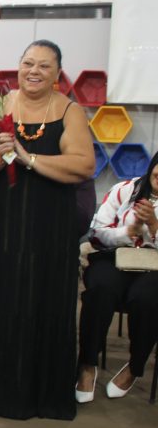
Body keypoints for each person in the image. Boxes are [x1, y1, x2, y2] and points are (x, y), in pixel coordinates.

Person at [0, 39, 94, 420]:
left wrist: (27, 157)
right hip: (1, 221)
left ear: (57, 74)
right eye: (28, 63)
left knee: (41, 299)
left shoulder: (70, 111)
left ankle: (38, 394)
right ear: (18, 67)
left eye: (44, 66)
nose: (34, 71)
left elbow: (83, 165)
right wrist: (1, 155)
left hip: (49, 224)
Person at [75, 150, 158, 402]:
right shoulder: (124, 190)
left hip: (154, 267)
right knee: (100, 289)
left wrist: (153, 226)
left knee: (146, 299)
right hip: (115, 256)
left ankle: (134, 367)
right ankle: (87, 364)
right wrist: (127, 232)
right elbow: (97, 233)